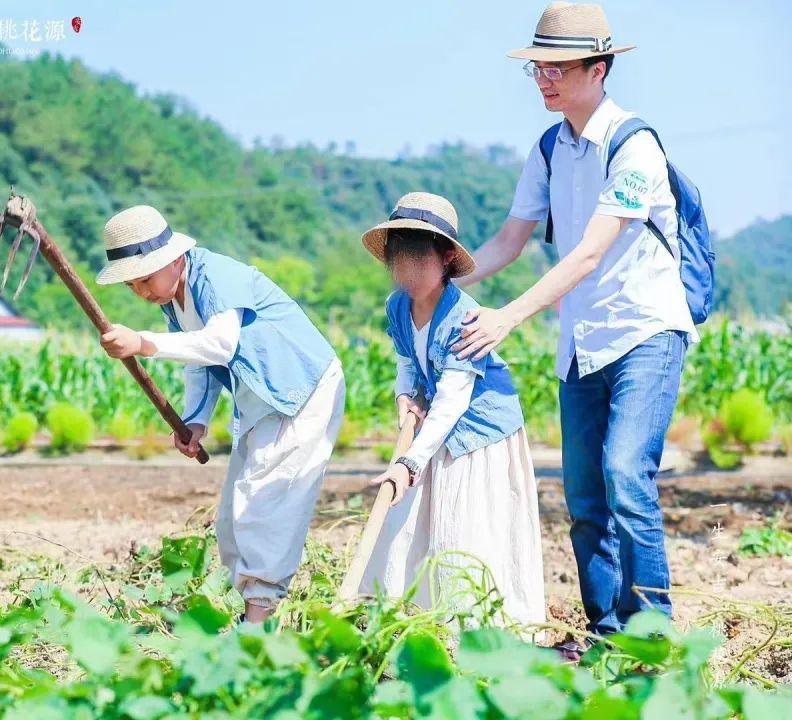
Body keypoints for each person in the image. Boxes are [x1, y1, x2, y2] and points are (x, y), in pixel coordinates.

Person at [452, 2, 697, 659]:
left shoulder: (634, 144)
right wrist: (447, 283)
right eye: (538, 68)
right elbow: (509, 238)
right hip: (582, 342)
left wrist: (506, 316)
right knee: (585, 494)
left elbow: (588, 251)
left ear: (600, 67)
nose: (546, 80)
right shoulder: (549, 147)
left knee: (624, 472)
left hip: (644, 331)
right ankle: (607, 634)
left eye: (559, 68)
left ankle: (654, 638)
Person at [95, 204, 346, 623]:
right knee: (231, 518)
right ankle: (257, 612)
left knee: (263, 503)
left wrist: (142, 342)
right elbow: (201, 365)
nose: (141, 292)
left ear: (173, 259)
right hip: (261, 398)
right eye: (132, 285)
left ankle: (257, 623)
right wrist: (195, 420)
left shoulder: (216, 277)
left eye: (144, 279)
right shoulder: (175, 299)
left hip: (301, 390)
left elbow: (219, 345)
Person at [360, 192, 546, 629]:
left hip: (479, 433)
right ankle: (412, 622)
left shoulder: (465, 318)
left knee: (463, 532)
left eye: (418, 260)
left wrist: (407, 463)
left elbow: (452, 400)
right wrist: (403, 397)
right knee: (409, 528)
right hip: (436, 429)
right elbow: (406, 361)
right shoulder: (397, 306)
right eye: (399, 260)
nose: (407, 271)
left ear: (445, 258)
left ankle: (480, 634)